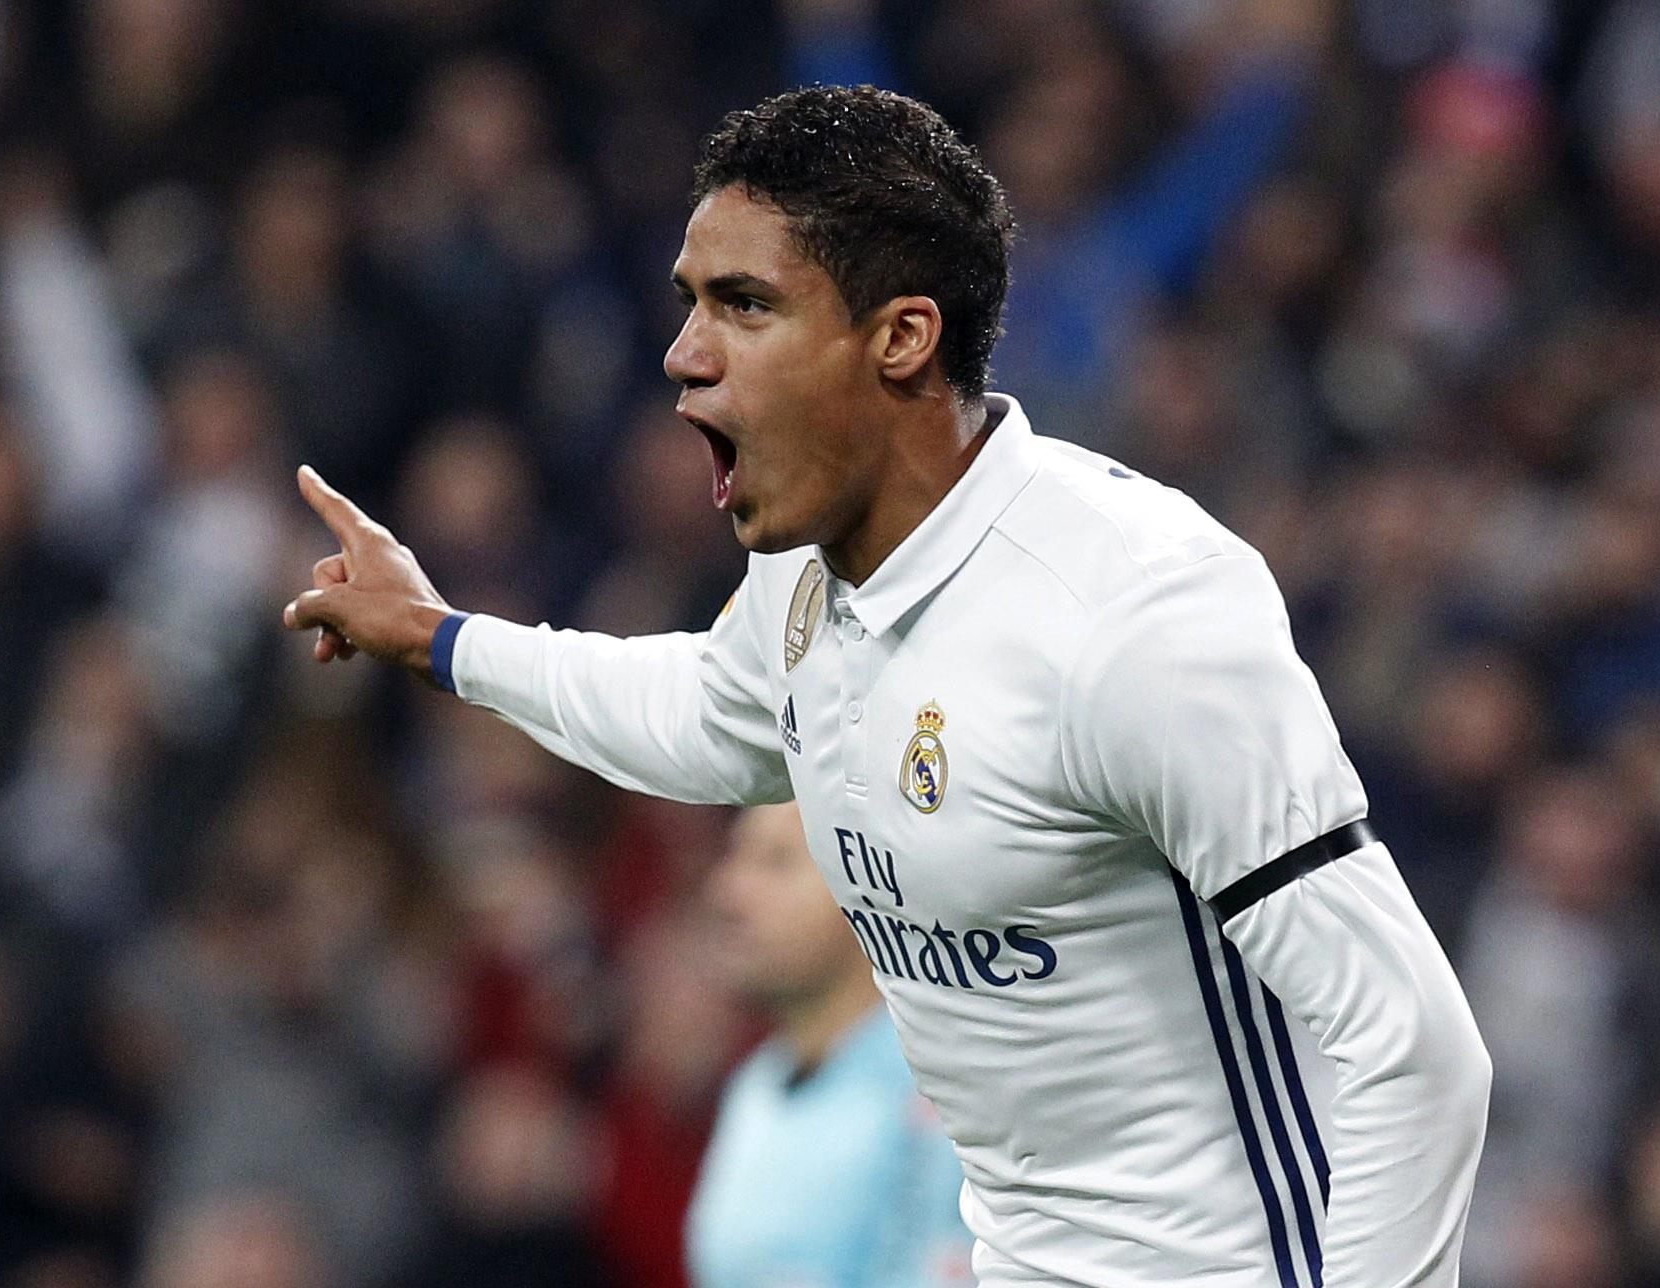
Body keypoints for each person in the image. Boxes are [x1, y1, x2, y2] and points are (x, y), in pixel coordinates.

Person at [282, 84, 1492, 1288]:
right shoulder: (808, 575)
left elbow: (1416, 1049)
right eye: (690, 304)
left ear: (902, 338)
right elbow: (703, 712)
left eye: (744, 305)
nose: (683, 355)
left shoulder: (1130, 613)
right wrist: (444, 640)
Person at [688, 801, 974, 1288]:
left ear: (867, 885)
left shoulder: (937, 1082)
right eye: (735, 857)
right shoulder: (751, 1088)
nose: (729, 892)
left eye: (777, 862)